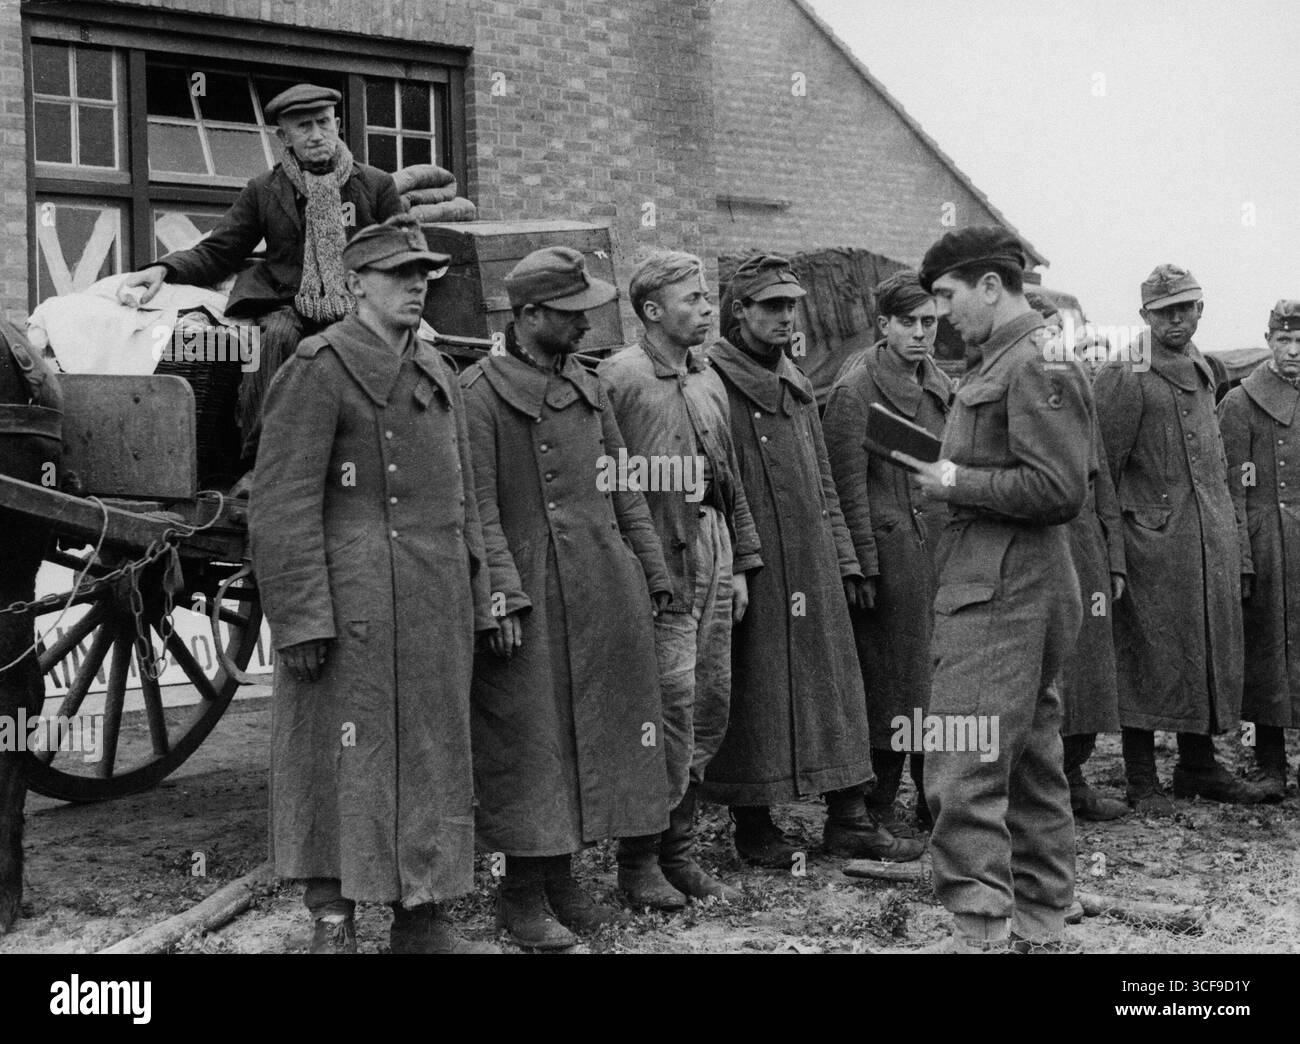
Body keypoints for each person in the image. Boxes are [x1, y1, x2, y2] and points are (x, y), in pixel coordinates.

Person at [249, 214, 497, 954]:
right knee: (340, 755)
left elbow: (466, 497)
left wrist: (486, 591)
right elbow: (282, 503)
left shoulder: (439, 369)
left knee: (430, 750)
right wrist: (299, 619)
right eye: (399, 274)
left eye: (424, 274)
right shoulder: (317, 368)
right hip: (350, 602)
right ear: (356, 283)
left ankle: (421, 913)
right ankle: (334, 915)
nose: (417, 286)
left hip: (434, 598)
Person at [461, 246, 672, 949]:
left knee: (595, 729)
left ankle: (565, 881)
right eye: (571, 313)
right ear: (527, 316)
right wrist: (501, 595)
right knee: (529, 739)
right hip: (530, 589)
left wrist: (651, 570)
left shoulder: (588, 384)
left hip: (602, 582)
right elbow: (477, 507)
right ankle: (521, 894)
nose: (587, 325)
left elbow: (623, 485)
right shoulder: (480, 394)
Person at [899, 227, 1092, 953]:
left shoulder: (1033, 359)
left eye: (948, 296)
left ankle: (980, 929)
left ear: (990, 285)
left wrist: (956, 481)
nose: (942, 313)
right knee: (1030, 756)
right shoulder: (1006, 358)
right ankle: (1040, 924)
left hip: (1004, 584)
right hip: (1010, 578)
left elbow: (1059, 486)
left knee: (965, 756)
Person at [702, 254, 924, 866]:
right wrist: (742, 560)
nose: (784, 316)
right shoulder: (712, 383)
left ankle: (849, 818)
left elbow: (827, 479)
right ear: (738, 310)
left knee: (836, 686)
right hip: (760, 565)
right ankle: (754, 824)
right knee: (759, 690)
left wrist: (847, 559)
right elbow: (717, 488)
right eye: (770, 305)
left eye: (790, 305)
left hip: (815, 560)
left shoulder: (796, 380)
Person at [117, 84, 402, 470]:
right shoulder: (264, 190)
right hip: (286, 300)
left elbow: (398, 256)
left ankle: (360, 462)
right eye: (303, 127)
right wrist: (163, 268)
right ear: (283, 137)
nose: (316, 135)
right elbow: (221, 250)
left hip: (356, 303)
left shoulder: (375, 186)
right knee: (272, 341)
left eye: (322, 123)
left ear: (337, 125)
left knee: (355, 350)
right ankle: (261, 464)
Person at [598, 251, 762, 905]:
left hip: (711, 553)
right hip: (654, 564)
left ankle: (681, 852)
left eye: (706, 297)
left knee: (708, 704)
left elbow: (731, 480)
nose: (705, 308)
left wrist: (741, 563)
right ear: (651, 310)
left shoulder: (710, 381)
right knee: (663, 710)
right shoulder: (620, 379)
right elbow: (602, 482)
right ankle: (638, 863)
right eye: (692, 299)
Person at [1095, 265, 1268, 811]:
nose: (1177, 318)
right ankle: (1142, 779)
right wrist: (1114, 557)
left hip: (1206, 539)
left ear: (1200, 309)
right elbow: (1103, 470)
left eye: (1186, 307)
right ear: (1143, 316)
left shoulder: (1205, 367)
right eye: (1164, 310)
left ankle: (1198, 766)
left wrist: (1229, 542)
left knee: (1207, 651)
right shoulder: (1125, 374)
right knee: (1147, 657)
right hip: (1149, 545)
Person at [822, 269, 951, 837]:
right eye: (909, 323)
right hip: (890, 559)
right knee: (893, 685)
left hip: (939, 556)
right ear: (884, 325)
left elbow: (944, 472)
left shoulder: (940, 385)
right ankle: (874, 806)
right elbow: (846, 488)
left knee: (938, 681)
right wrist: (860, 566)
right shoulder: (857, 390)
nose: (921, 333)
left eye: (930, 322)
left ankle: (935, 801)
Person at [1027, 293, 1128, 821]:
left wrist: (1113, 557)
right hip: (1039, 549)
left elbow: (1102, 479)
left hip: (1085, 546)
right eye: (1040, 330)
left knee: (1088, 671)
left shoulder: (1079, 391)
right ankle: (1037, 787)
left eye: (1057, 331)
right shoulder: (1008, 392)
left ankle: (1074, 777)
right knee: (1045, 671)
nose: (1050, 341)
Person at [1216, 298, 1300, 800]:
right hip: (1266, 542)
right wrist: (1243, 560)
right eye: (1285, 340)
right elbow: (1232, 491)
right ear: (1268, 342)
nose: (1294, 351)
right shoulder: (1241, 403)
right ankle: (1269, 762)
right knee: (1266, 653)